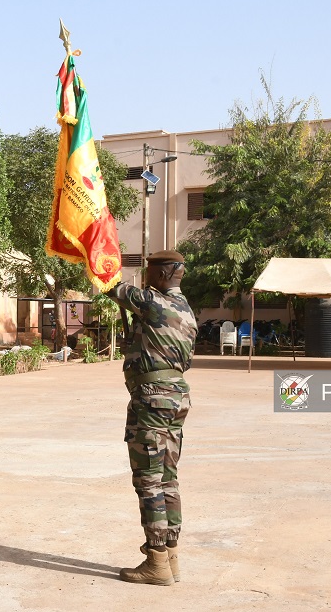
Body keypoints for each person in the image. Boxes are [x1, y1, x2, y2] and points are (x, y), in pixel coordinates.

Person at [105, 250, 197, 586]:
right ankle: (171, 557)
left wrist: (100, 254)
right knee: (168, 478)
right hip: (176, 398)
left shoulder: (154, 303)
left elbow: (108, 284)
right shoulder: (186, 310)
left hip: (153, 399)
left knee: (149, 481)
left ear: (162, 274)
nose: (144, 279)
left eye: (148, 273)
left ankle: (156, 561)